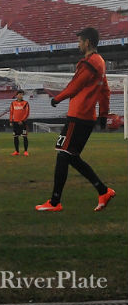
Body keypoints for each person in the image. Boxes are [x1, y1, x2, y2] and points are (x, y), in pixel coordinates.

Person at [35, 27, 115, 212]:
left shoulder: (89, 63)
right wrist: (103, 114)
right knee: (71, 157)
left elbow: (74, 86)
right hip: (87, 117)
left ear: (87, 42)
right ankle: (103, 191)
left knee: (63, 154)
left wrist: (57, 98)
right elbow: (105, 91)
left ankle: (55, 202)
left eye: (80, 41)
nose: (78, 44)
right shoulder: (100, 62)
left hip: (78, 115)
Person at [9, 89, 30, 156]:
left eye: (22, 94)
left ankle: (26, 151)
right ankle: (16, 151)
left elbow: (27, 113)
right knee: (15, 137)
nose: (21, 96)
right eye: (20, 94)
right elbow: (11, 112)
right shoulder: (13, 103)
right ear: (17, 95)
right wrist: (11, 121)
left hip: (23, 123)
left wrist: (22, 120)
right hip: (15, 122)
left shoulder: (26, 103)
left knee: (24, 137)